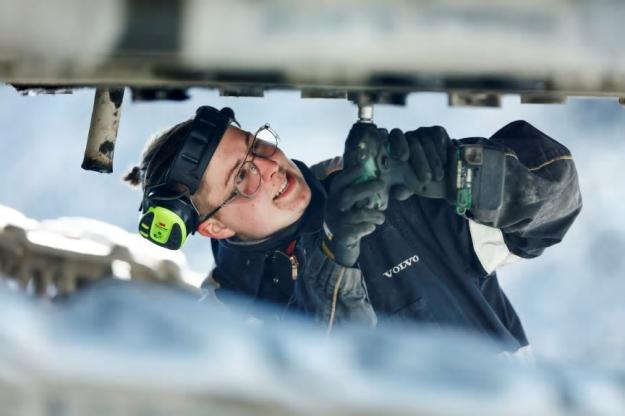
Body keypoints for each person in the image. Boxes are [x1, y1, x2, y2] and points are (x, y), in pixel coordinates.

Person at [125, 106, 582, 352]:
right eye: (240, 177)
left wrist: (459, 172)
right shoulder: (227, 321)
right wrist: (334, 255)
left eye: (256, 145)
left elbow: (557, 200)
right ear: (214, 227)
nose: (269, 167)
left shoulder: (387, 193)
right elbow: (328, 387)